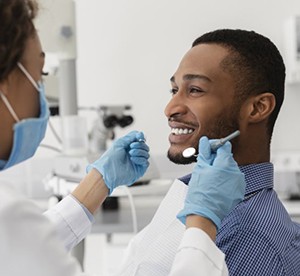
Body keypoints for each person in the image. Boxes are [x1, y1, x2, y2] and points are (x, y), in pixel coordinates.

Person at [0, 1, 246, 276]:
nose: (170, 109)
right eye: (40, 75)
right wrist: (203, 222)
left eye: (196, 89)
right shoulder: (9, 219)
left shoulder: (258, 234)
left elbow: (26, 252)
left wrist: (99, 182)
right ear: (7, 81)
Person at [110, 29, 300, 276]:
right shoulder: (199, 202)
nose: (170, 108)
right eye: (174, 90)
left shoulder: (250, 237)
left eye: (195, 90)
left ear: (257, 108)